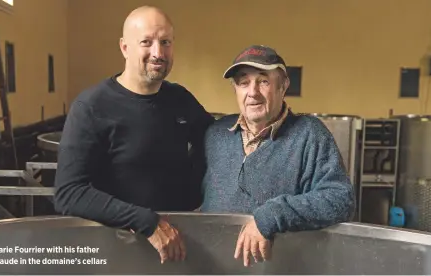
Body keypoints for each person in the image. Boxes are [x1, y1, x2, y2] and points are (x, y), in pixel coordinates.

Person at [53, 6, 214, 264]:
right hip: (117, 250)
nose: (158, 53)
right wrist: (147, 222)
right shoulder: (91, 107)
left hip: (177, 248)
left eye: (165, 42)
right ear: (125, 47)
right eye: (146, 42)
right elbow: (69, 193)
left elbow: (214, 139)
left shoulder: (180, 99)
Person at [200, 45, 355, 267]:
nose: (252, 92)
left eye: (263, 81)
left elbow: (340, 200)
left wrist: (272, 215)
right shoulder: (216, 134)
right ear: (235, 89)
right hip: (215, 267)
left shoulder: (309, 134)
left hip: (280, 268)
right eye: (243, 82)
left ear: (283, 86)